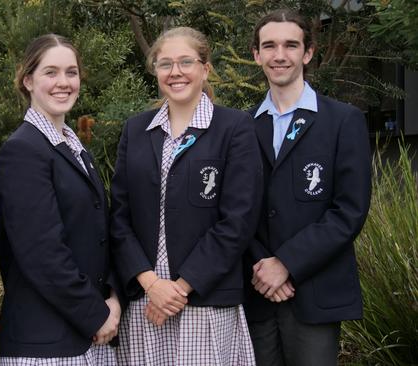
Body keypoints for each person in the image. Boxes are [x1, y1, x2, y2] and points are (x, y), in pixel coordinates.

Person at [110, 26, 261, 365]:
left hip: (204, 296)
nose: (175, 72)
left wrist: (179, 288)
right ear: (155, 71)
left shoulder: (234, 128)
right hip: (146, 300)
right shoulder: (136, 130)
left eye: (185, 62)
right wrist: (152, 285)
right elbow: (119, 217)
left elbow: (238, 219)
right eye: (165, 64)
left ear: (205, 68)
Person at [245, 9, 372, 366]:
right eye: (269, 46)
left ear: (308, 52)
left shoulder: (343, 121)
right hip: (256, 294)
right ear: (257, 55)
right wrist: (262, 266)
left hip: (316, 293)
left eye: (290, 45)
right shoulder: (242, 127)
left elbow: (349, 211)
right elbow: (237, 210)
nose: (279, 55)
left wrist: (287, 263)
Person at [0, 34, 120, 365]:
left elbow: (97, 236)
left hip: (87, 336)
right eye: (51, 72)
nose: (63, 82)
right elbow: (42, 253)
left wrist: (114, 297)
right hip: (46, 343)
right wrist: (97, 314)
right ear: (28, 80)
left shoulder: (74, 149)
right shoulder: (22, 151)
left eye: (71, 72)